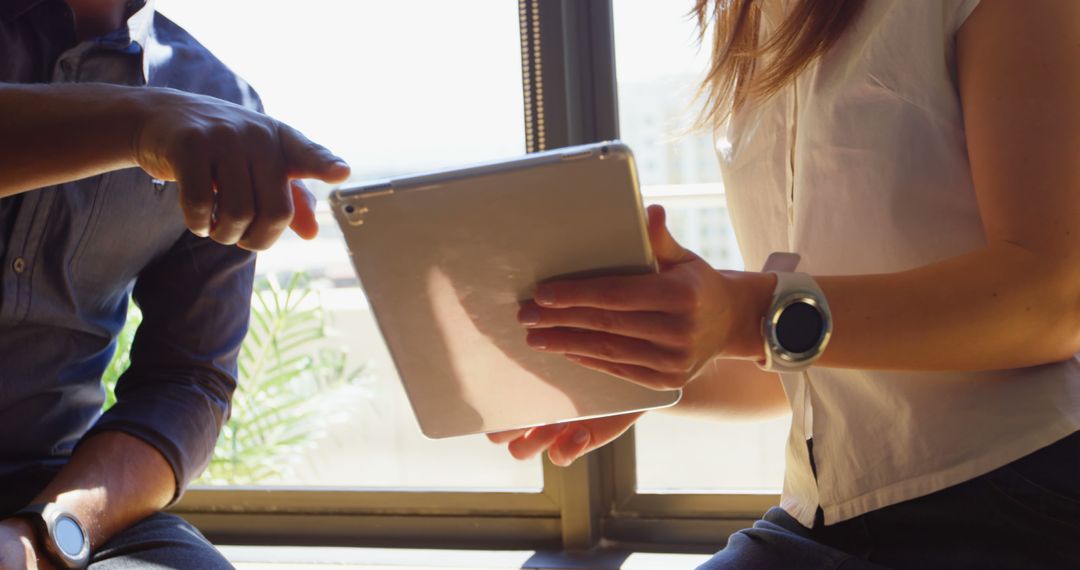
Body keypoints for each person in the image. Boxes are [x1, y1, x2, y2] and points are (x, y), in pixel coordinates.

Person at [490, 0, 1080, 567]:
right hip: (818, 519)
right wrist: (639, 363)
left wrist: (745, 314)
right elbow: (800, 360)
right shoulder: (745, 23)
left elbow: (1055, 300)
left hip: (1022, 500)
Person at [0, 0, 349, 567]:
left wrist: (48, 534)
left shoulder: (220, 104)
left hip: (49, 491)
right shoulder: (201, 118)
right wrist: (137, 125)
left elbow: (188, 382)